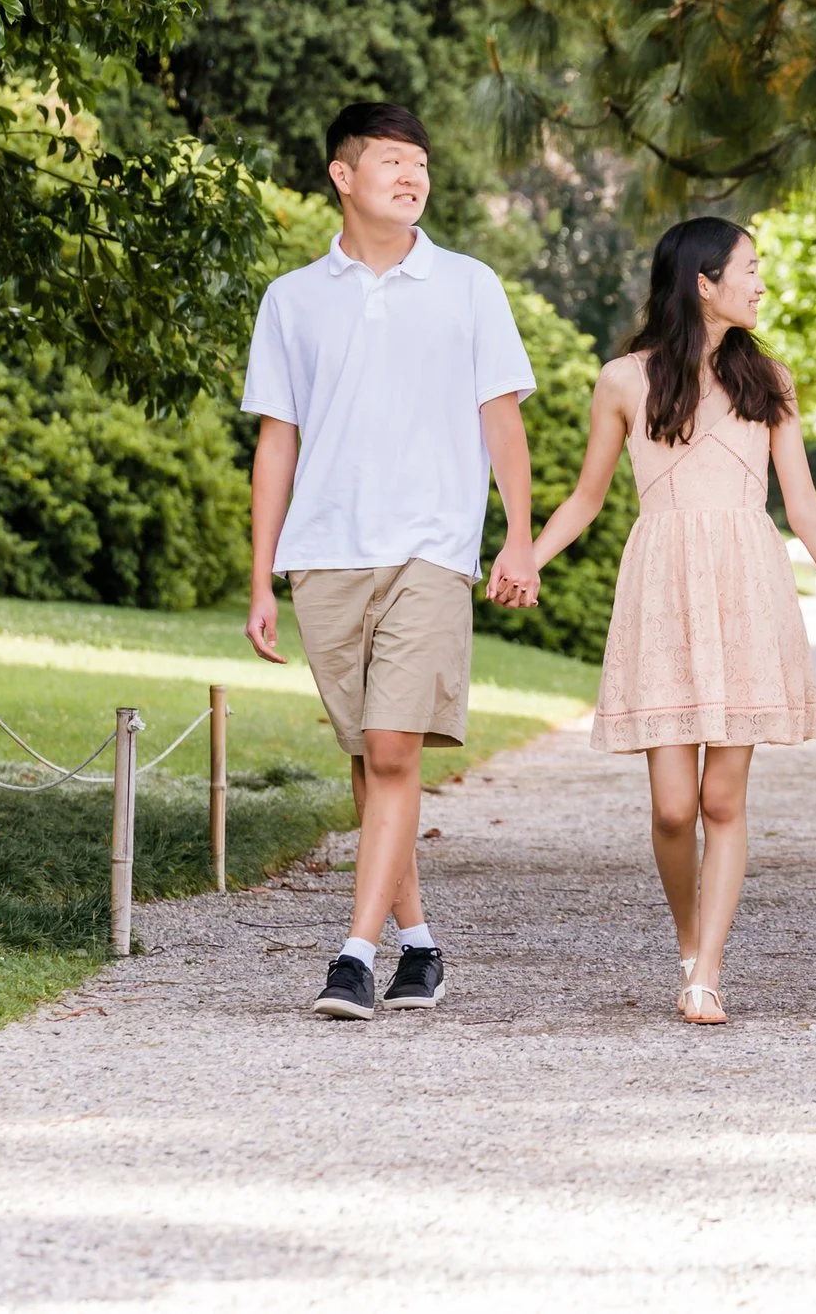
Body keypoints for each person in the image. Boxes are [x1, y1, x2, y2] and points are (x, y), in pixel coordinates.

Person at [520, 216, 816, 1026]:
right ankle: (690, 939)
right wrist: (529, 557)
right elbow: (587, 495)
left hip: (746, 583)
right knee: (673, 807)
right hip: (663, 585)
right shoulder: (622, 379)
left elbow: (806, 508)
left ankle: (706, 969)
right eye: (749, 268)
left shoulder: (770, 380)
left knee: (724, 797)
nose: (760, 282)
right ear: (703, 282)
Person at [242, 102, 540, 1021]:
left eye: (421, 165)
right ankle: (421, 945)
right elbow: (277, 440)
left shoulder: (469, 285)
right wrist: (261, 575)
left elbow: (502, 418)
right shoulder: (293, 297)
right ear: (343, 175)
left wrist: (518, 535)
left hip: (430, 548)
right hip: (325, 553)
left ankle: (353, 957)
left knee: (395, 747)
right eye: (392, 164)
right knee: (372, 763)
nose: (412, 179)